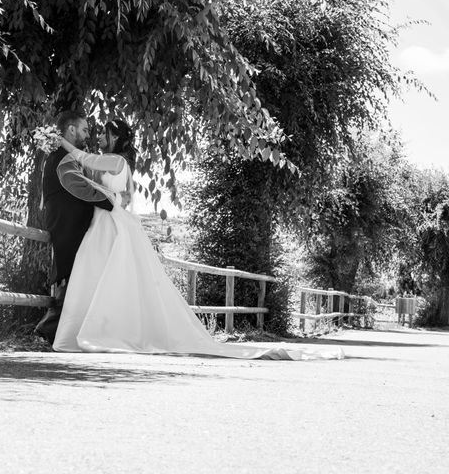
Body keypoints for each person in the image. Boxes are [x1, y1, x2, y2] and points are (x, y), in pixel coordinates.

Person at [52, 120, 344, 360]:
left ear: (115, 136)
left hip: (110, 226)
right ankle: (97, 327)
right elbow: (107, 188)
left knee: (102, 274)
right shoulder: (117, 162)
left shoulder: (115, 160)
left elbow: (83, 160)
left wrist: (57, 139)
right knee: (102, 276)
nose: (99, 135)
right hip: (107, 222)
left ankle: (99, 330)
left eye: (104, 131)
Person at [33, 111, 114, 344]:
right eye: (85, 129)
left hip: (72, 226)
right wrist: (110, 202)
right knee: (69, 278)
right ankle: (44, 332)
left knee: (73, 278)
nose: (88, 135)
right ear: (71, 130)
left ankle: (60, 334)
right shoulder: (61, 157)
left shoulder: (65, 156)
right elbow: (77, 186)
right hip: (67, 226)